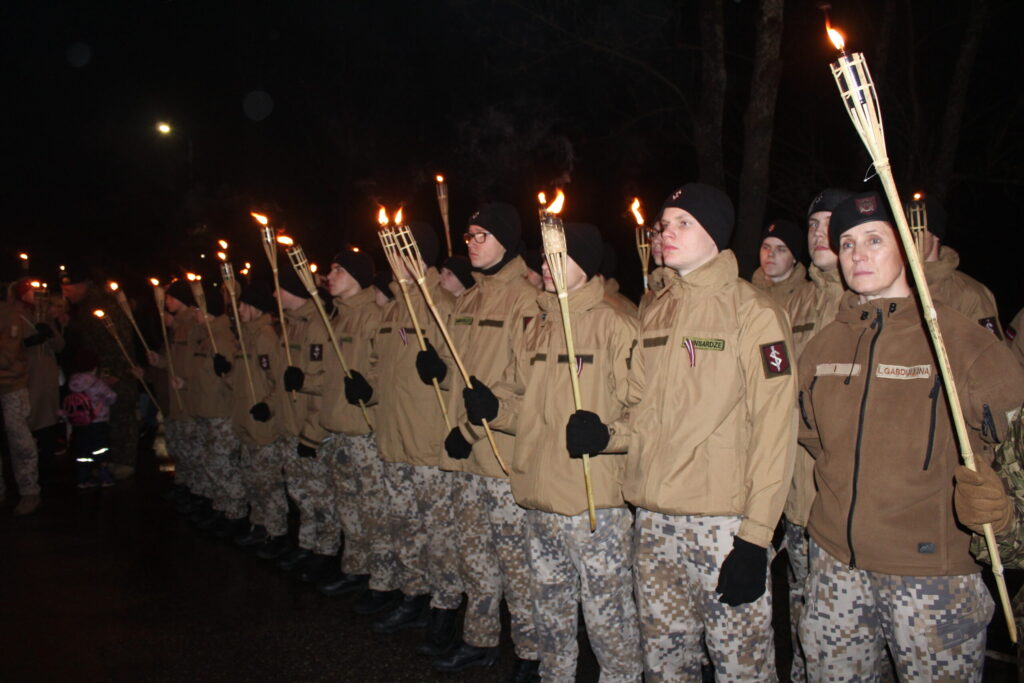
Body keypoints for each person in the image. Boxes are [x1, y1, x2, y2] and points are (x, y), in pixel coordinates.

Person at [797, 191, 1024, 680]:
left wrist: (1005, 512)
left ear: (906, 248)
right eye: (848, 243)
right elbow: (815, 439)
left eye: (875, 239)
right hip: (836, 568)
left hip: (932, 582)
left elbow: (1012, 450)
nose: (858, 254)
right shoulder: (823, 347)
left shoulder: (963, 345)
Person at [625, 183, 796, 680]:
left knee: (740, 666)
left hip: (722, 525)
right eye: (665, 223)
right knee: (664, 663)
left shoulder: (754, 312)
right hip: (654, 520)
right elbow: (640, 409)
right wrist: (605, 436)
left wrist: (755, 539)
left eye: (684, 223)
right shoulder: (656, 308)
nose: (667, 232)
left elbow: (774, 431)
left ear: (715, 235)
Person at [477, 222, 642, 681]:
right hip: (538, 499)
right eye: (544, 258)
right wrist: (492, 407)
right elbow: (518, 401)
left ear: (584, 266)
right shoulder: (537, 325)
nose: (544, 267)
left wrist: (607, 436)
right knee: (549, 614)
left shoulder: (616, 325)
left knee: (609, 619)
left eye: (557, 258)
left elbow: (645, 414)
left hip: (595, 506)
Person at [419, 202, 541, 678]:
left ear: (505, 240)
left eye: (479, 236)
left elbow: (521, 378)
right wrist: (438, 370)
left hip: (500, 454)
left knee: (516, 563)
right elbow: (459, 371)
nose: (470, 243)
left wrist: (473, 427)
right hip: (464, 451)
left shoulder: (526, 300)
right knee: (474, 556)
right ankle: (480, 638)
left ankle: (531, 651)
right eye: (467, 236)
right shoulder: (468, 299)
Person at [779, 187, 852, 681]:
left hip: (849, 510)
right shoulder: (793, 304)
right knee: (803, 617)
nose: (818, 232)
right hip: (798, 496)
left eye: (830, 222)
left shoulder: (870, 299)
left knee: (846, 638)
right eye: (811, 224)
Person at [271, 264, 338, 578]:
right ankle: (307, 543)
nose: (274, 294)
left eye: (278, 287)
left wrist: (312, 433)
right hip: (291, 426)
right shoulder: (290, 325)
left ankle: (326, 549)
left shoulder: (317, 325)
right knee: (301, 493)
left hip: (311, 431)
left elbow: (324, 385)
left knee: (320, 495)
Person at [227, 274, 290, 557]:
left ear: (254, 306)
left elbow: (277, 380)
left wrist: (269, 404)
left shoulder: (265, 337)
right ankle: (259, 523)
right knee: (253, 479)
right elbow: (241, 379)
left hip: (262, 425)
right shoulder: (246, 336)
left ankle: (276, 531)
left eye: (242, 305)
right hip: (245, 421)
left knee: (267, 482)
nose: (239, 310)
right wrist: (225, 372)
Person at [60, 266, 139, 478]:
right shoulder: (84, 307)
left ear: (82, 285)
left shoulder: (104, 306)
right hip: (95, 373)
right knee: (102, 419)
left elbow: (119, 341)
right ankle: (107, 461)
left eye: (69, 288)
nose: (66, 293)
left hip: (115, 372)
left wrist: (114, 372)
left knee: (121, 414)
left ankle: (124, 461)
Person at [186, 278, 248, 538]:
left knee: (223, 464)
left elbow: (235, 377)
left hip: (221, 411)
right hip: (206, 409)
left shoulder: (221, 337)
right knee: (212, 462)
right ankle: (221, 506)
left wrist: (226, 372)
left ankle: (236, 512)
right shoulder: (204, 336)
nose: (194, 314)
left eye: (197, 309)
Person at [915, 195, 1002, 337]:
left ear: (936, 235)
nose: (908, 236)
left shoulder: (970, 294)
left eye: (917, 229)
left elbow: (991, 354)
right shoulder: (893, 284)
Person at [10, 278, 64, 484]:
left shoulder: (43, 314)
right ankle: (28, 470)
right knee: (29, 420)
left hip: (47, 376)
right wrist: (28, 342)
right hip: (28, 376)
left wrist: (50, 333)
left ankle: (47, 466)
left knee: (47, 421)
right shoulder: (14, 315)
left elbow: (60, 346)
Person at [0, 298, 41, 514]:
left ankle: (29, 491)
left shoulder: (8, 315)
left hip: (11, 386)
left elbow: (7, 355)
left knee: (20, 441)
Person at [64, 349, 117, 488]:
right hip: (98, 421)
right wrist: (104, 402)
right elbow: (111, 396)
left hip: (79, 422)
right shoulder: (96, 382)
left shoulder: (73, 381)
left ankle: (83, 479)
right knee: (101, 449)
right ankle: (104, 476)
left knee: (83, 450)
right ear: (94, 366)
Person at [750, 218, 807, 306]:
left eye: (781, 249)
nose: (770, 254)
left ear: (794, 258)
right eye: (766, 247)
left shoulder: (806, 299)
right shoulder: (748, 290)